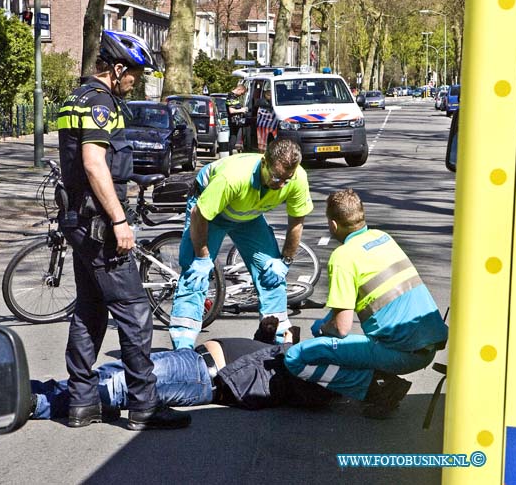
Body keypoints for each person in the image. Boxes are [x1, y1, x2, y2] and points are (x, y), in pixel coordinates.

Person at [56, 30, 190, 431]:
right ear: (116, 69)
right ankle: (144, 405)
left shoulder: (73, 98)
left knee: (90, 311)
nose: (136, 80)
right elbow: (95, 164)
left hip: (77, 223)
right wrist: (119, 220)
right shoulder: (101, 104)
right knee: (133, 312)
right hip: (100, 225)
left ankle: (82, 402)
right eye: (133, 73)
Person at [283, 189, 449, 418]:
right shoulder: (382, 237)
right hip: (427, 346)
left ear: (332, 224)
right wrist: (327, 322)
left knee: (296, 358)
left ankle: (380, 389)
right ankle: (377, 381)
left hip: (400, 353)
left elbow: (341, 329)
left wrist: (322, 329)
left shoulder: (343, 257)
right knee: (341, 345)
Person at [30, 320, 338, 419]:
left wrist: (287, 345)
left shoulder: (308, 376)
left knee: (117, 387)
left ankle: (34, 402)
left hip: (201, 375)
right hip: (199, 367)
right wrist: (268, 335)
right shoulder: (296, 364)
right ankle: (32, 392)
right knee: (114, 376)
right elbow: (261, 362)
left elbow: (272, 376)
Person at [169, 138, 312, 349]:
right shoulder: (232, 178)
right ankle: (183, 349)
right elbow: (199, 215)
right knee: (196, 278)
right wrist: (201, 258)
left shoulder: (297, 177)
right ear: (264, 162)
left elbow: (297, 222)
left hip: (248, 217)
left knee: (271, 275)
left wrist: (285, 261)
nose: (280, 184)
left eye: (286, 179)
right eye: (275, 177)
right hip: (210, 213)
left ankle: (276, 341)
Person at [226, 83, 247, 152]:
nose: (241, 95)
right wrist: (242, 110)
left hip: (236, 121)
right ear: (239, 89)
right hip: (233, 121)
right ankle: (230, 153)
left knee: (234, 137)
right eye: (241, 93)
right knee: (233, 137)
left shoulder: (234, 97)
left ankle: (230, 152)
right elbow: (231, 111)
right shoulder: (231, 97)